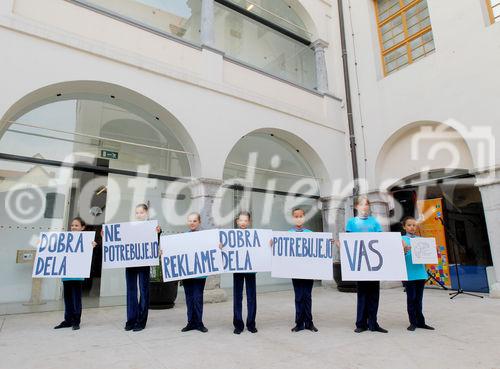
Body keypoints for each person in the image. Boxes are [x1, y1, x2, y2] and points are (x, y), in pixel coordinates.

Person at [346, 196, 388, 334]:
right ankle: (361, 323)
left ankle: (373, 323)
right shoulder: (351, 223)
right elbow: (349, 242)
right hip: (360, 265)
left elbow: (381, 240)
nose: (364, 207)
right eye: (362, 204)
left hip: (374, 265)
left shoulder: (375, 222)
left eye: (367, 204)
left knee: (374, 294)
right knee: (362, 294)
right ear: (357, 207)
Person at [54, 217, 95, 331]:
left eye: (76, 225)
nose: (73, 227)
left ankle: (76, 321)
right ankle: (68, 320)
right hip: (66, 274)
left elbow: (89, 256)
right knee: (67, 298)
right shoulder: (65, 239)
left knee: (76, 298)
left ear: (82, 228)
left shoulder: (87, 240)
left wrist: (92, 246)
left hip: (78, 274)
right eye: (72, 225)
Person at [124, 203, 161, 332]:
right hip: (130, 263)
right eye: (137, 212)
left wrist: (158, 233)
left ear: (147, 214)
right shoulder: (129, 227)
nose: (139, 214)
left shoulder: (152, 227)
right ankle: (131, 319)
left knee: (144, 291)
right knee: (131, 291)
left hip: (144, 262)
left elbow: (154, 243)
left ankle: (141, 320)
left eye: (141, 212)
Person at [401, 216, 435, 331]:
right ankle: (413, 322)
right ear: (404, 227)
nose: (412, 227)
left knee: (419, 299)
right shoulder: (401, 240)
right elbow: (397, 256)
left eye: (414, 225)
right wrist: (404, 250)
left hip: (420, 273)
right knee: (411, 298)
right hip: (409, 274)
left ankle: (421, 322)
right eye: (409, 225)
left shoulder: (421, 239)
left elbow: (426, 254)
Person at [288, 208, 318, 332]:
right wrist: (274, 242)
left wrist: (328, 242)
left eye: (301, 216)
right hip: (295, 270)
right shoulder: (288, 234)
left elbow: (318, 246)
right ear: (292, 218)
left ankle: (309, 323)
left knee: (307, 296)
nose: (298, 218)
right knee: (298, 296)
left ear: (304, 217)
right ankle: (299, 323)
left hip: (308, 270)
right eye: (296, 216)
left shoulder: (310, 233)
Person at [181, 212, 208, 333]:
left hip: (200, 273)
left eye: (194, 221)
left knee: (198, 297)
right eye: (190, 221)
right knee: (189, 297)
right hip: (187, 272)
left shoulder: (205, 236)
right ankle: (190, 322)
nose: (192, 223)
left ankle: (199, 322)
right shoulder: (183, 236)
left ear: (199, 222)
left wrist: (218, 246)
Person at [232, 211, 258, 334]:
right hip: (237, 269)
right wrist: (221, 246)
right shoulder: (231, 235)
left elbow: (260, 249)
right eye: (241, 220)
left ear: (249, 222)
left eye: (245, 220)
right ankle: (238, 324)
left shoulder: (254, 235)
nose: (243, 223)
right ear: (237, 221)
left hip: (250, 269)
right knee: (237, 297)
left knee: (251, 297)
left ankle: (251, 324)